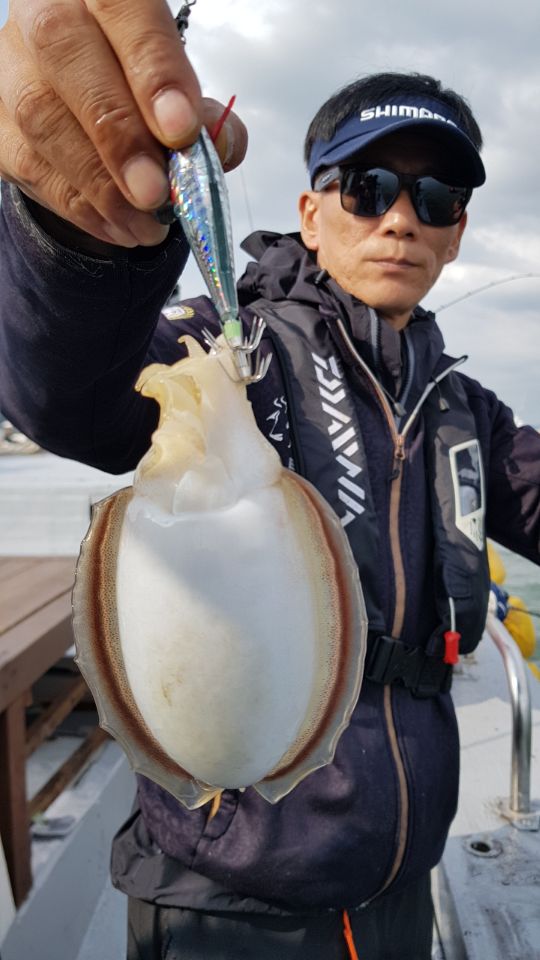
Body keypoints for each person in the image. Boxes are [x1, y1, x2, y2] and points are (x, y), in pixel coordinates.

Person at [1, 4, 539, 958]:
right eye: (368, 188)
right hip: (223, 890)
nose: (401, 218)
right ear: (310, 214)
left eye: (436, 198)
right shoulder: (226, 350)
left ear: (457, 234)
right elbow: (71, 392)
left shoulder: (467, 410)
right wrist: (86, 243)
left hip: (398, 881)